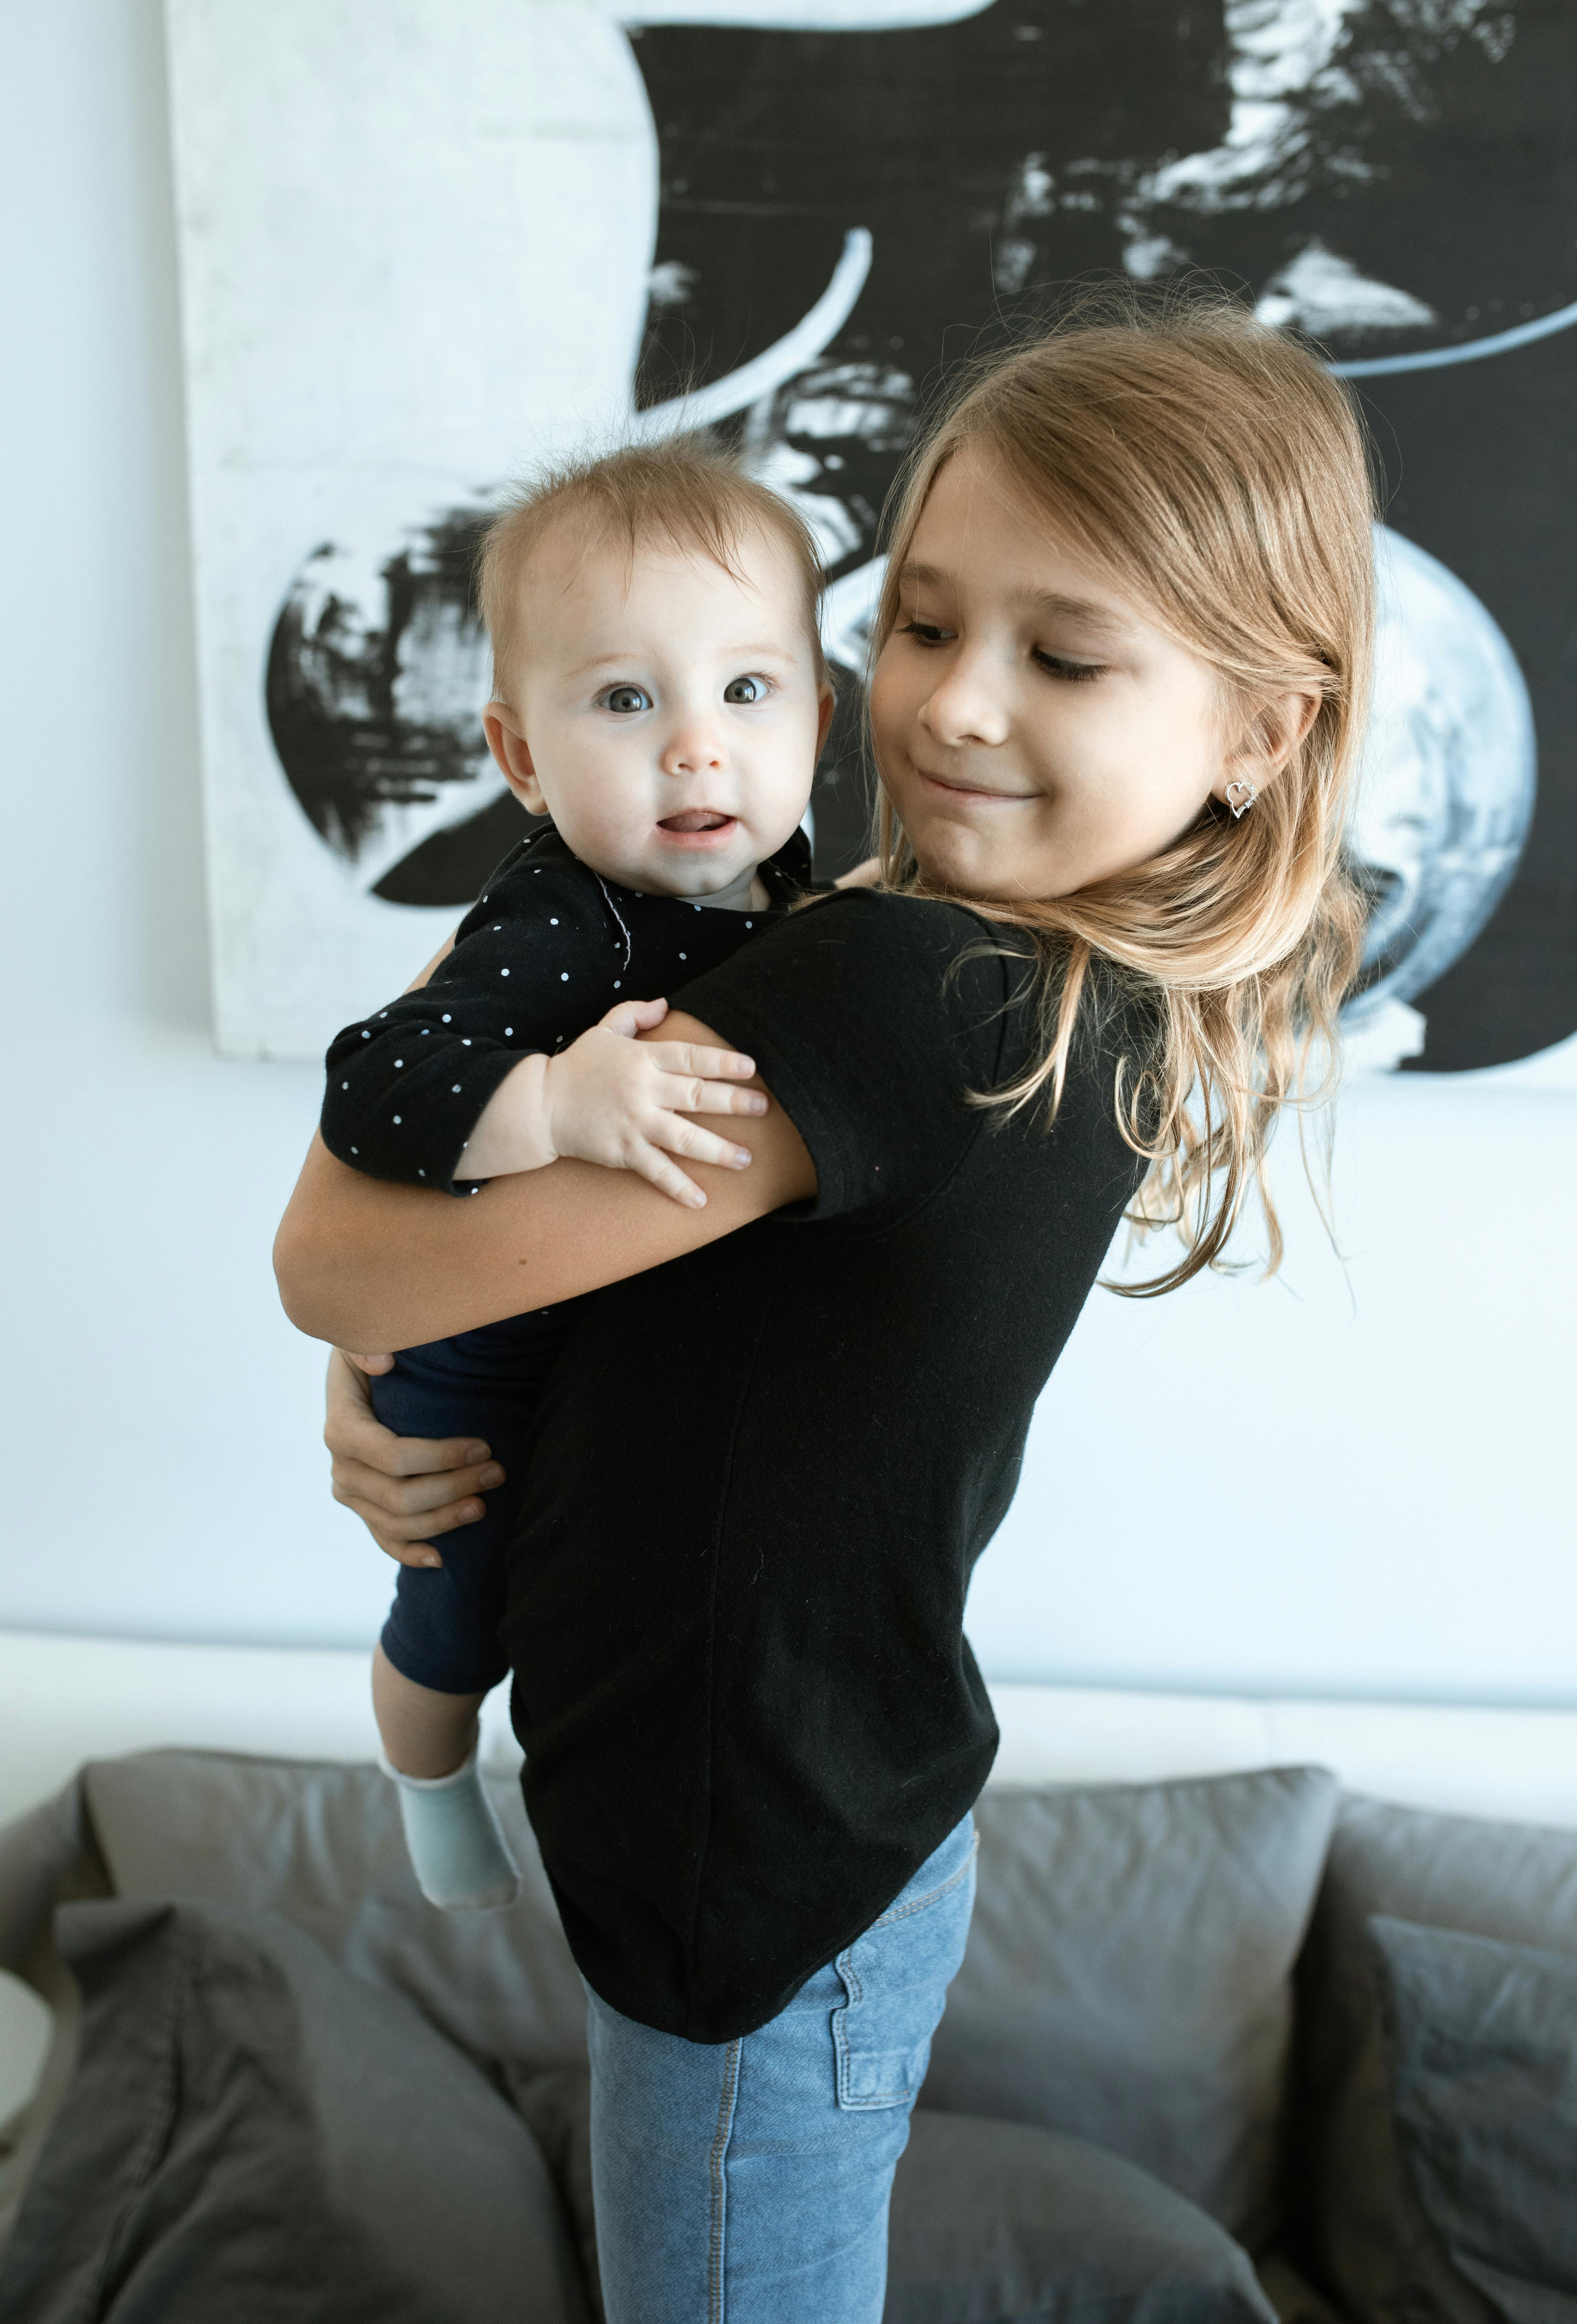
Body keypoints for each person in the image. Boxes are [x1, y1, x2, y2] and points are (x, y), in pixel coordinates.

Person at [277, 295, 1375, 2324]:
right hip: (796, 1828)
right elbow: (665, 1329)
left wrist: (372, 1340)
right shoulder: (1011, 969)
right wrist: (407, 1390)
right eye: (929, 621)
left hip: (752, 1878)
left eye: (1065, 655)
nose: (951, 707)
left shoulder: (904, 994)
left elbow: (330, 1259)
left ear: (1258, 726)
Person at [315, 440, 839, 1913]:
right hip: (485, 1362)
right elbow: (377, 1083)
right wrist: (555, 1100)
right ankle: (427, 1781)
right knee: (459, 1611)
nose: (696, 747)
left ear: (817, 710)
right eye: (625, 700)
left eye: (748, 690)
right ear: (520, 757)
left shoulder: (795, 895)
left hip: (619, 1361)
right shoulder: (568, 922)